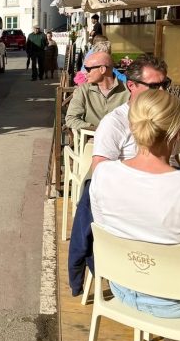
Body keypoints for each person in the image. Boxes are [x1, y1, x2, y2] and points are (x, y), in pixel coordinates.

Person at [90, 90, 180, 341]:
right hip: (175, 303)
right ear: (178, 133)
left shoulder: (103, 174)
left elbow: (106, 228)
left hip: (121, 288)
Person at [68, 56, 171, 296]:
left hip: (163, 195)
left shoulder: (170, 118)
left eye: (165, 84)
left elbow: (173, 161)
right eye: (155, 86)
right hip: (129, 200)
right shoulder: (112, 120)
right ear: (132, 86)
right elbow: (101, 173)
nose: (163, 91)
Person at [65, 51, 128, 132]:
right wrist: (95, 130)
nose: (84, 73)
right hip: (91, 140)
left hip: (121, 141)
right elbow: (71, 119)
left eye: (88, 69)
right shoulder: (83, 90)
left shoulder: (128, 90)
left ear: (102, 69)